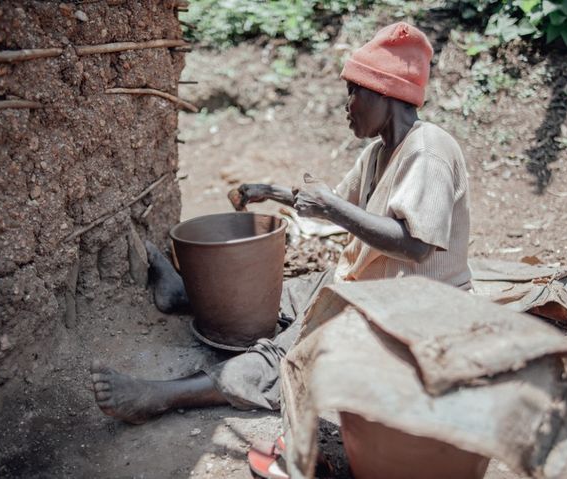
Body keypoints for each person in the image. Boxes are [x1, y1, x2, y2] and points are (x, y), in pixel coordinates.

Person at [90, 22, 471, 426]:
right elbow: (336, 204)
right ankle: (184, 296)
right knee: (277, 293)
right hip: (370, 287)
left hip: (411, 310)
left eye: (354, 91)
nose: (348, 104)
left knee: (286, 353)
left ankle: (164, 395)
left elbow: (414, 245)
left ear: (384, 91)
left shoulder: (429, 152)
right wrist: (270, 191)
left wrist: (331, 208)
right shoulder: (379, 153)